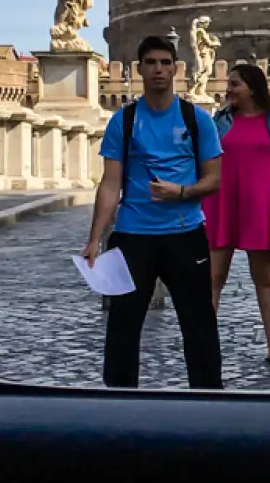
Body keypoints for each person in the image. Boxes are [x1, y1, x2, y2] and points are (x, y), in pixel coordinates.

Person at [83, 34, 225, 389]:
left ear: (176, 69)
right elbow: (110, 184)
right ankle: (120, 398)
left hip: (186, 234)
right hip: (133, 237)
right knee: (122, 325)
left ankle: (208, 398)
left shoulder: (197, 120)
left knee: (199, 324)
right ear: (140, 69)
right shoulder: (124, 121)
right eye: (151, 63)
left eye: (165, 62)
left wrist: (182, 192)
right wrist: (94, 238)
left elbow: (214, 180)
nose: (158, 69)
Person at [207, 62, 270, 370]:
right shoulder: (217, 121)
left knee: (266, 279)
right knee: (212, 278)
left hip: (262, 206)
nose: (228, 89)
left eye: (235, 84)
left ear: (253, 87)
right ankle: (203, 347)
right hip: (221, 205)